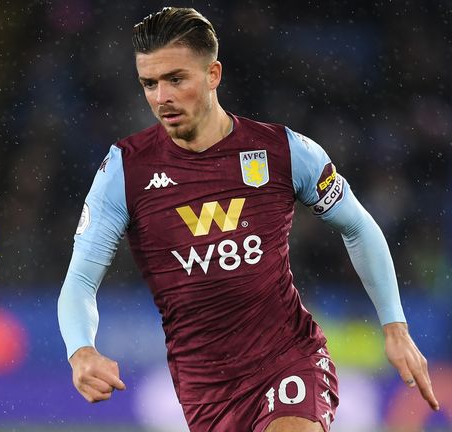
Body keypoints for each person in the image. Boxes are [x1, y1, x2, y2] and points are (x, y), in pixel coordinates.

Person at [57, 7, 439, 432]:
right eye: (150, 83)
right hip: (206, 390)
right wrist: (81, 351)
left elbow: (359, 226)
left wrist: (395, 326)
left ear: (213, 74)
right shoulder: (125, 172)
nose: (161, 97)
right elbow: (80, 281)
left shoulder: (284, 152)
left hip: (289, 358)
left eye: (176, 79)